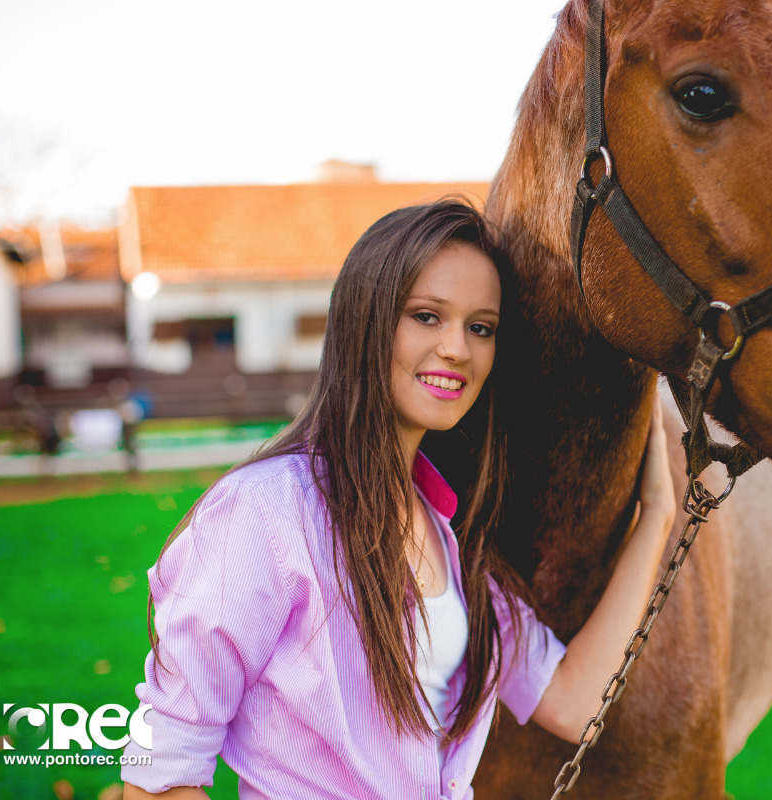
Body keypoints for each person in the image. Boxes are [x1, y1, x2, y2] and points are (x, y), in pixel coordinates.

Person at [121, 199, 677, 799]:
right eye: (427, 316)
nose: (458, 349)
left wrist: (660, 519)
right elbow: (159, 779)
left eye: (480, 327)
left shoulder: (450, 533)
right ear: (367, 319)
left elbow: (570, 699)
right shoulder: (265, 511)